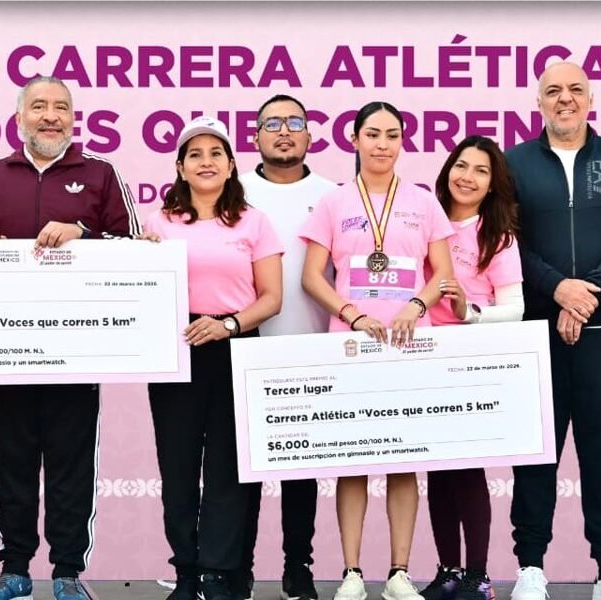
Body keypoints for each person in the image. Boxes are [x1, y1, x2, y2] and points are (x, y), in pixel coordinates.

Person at [0, 75, 139, 600]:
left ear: (73, 117)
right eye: (38, 106)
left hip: (76, 352)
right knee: (13, 461)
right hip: (8, 348)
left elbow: (132, 246)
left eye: (60, 107)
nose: (50, 116)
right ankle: (15, 569)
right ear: (18, 116)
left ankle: (67, 572)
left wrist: (82, 233)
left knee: (70, 463)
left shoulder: (100, 174)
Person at [299, 101, 454, 600]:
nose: (381, 144)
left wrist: (415, 304)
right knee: (353, 457)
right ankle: (350, 573)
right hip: (350, 345)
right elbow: (311, 278)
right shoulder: (334, 201)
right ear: (355, 141)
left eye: (391, 135)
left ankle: (399, 573)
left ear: (402, 142)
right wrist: (352, 315)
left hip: (409, 344)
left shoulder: (424, 201)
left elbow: (443, 276)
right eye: (372, 134)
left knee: (405, 457)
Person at [506, 61, 601, 600]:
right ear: (538, 103)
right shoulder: (512, 163)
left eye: (575, 90)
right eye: (553, 91)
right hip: (536, 329)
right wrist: (558, 288)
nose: (565, 99)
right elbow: (506, 237)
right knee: (536, 449)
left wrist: (586, 296)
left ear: (590, 100)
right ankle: (531, 565)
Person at [141, 117, 282, 600]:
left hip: (234, 346)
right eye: (195, 154)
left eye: (215, 153)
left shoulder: (253, 220)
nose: (206, 161)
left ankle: (218, 573)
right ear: (180, 167)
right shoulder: (158, 223)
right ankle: (185, 571)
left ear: (231, 166)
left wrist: (227, 325)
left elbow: (272, 296)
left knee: (227, 467)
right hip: (176, 350)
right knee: (178, 467)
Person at [235, 94, 337, 600]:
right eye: (271, 123)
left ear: (310, 135)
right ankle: (240, 568)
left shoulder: (335, 194)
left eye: (294, 123)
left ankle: (299, 568)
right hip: (244, 345)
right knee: (243, 473)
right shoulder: (234, 191)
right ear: (255, 137)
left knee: (302, 472)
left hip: (313, 346)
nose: (284, 131)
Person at [412, 136, 523, 600]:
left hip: (471, 363)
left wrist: (471, 313)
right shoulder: (421, 221)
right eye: (461, 165)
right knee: (437, 469)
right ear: (447, 170)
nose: (467, 177)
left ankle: (478, 575)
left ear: (492, 183)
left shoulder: (497, 236)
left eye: (480, 170)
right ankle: (447, 571)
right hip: (422, 357)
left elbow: (515, 307)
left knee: (469, 470)